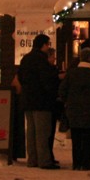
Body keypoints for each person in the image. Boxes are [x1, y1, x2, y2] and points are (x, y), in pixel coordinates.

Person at [59, 47, 90, 171]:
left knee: (76, 137)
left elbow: (62, 90)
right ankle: (86, 163)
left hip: (74, 110)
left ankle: (76, 163)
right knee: (88, 138)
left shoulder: (71, 73)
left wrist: (67, 102)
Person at [17, 34, 60, 169]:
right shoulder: (41, 59)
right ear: (43, 45)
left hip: (28, 100)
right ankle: (44, 161)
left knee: (31, 131)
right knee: (42, 132)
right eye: (48, 44)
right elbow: (47, 80)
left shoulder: (26, 59)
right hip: (41, 101)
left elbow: (21, 77)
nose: (49, 47)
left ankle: (33, 159)